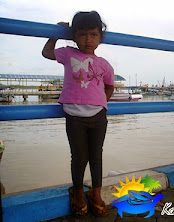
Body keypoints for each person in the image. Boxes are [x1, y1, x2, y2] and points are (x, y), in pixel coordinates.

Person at [42, 11, 114, 218]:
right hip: (74, 117)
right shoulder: (67, 54)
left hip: (98, 117)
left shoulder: (104, 64)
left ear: (100, 37)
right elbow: (47, 53)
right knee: (79, 157)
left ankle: (96, 194)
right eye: (82, 34)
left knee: (96, 156)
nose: (88, 39)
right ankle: (78, 193)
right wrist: (55, 33)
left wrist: (100, 101)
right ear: (74, 36)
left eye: (93, 34)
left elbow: (109, 86)